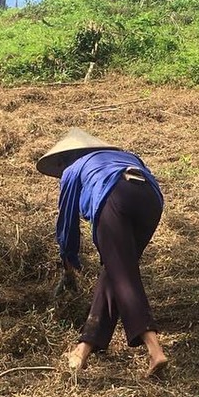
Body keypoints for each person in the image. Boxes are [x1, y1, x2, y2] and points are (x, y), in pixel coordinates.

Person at [36, 128, 168, 377]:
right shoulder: (127, 157)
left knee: (123, 276)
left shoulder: (73, 169)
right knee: (117, 270)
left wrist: (68, 263)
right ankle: (83, 349)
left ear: (67, 158)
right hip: (151, 201)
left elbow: (66, 224)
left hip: (114, 197)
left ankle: (155, 350)